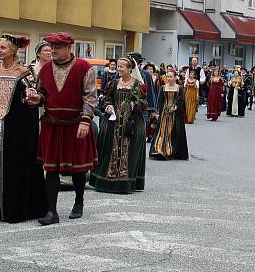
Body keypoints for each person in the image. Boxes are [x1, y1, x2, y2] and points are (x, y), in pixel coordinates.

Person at [27, 32, 97, 224]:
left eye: (57, 47)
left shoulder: (84, 68)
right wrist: (36, 98)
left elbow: (90, 97)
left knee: (77, 169)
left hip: (76, 124)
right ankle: (52, 212)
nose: (53, 51)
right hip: (52, 124)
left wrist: (85, 120)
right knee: (51, 168)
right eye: (51, 47)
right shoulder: (45, 69)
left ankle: (79, 201)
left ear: (69, 48)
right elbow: (42, 93)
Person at [0, 35, 46, 223]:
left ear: (13, 50)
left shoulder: (25, 73)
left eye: (3, 48)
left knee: (15, 163)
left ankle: (15, 205)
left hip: (16, 129)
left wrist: (31, 98)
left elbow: (33, 99)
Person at [91, 57, 147, 191]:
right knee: (110, 149)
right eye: (118, 66)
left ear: (129, 69)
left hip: (131, 124)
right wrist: (108, 106)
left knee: (129, 152)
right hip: (113, 123)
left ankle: (125, 183)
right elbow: (106, 98)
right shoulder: (113, 83)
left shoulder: (138, 85)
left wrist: (133, 104)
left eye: (122, 67)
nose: (119, 69)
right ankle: (107, 181)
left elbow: (144, 104)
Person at [150, 69, 189, 160]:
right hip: (164, 113)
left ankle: (171, 151)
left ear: (175, 77)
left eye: (171, 76)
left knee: (174, 132)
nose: (169, 78)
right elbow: (160, 101)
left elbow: (182, 101)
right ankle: (159, 150)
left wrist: (175, 107)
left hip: (175, 114)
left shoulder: (179, 88)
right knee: (161, 132)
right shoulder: (163, 87)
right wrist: (158, 113)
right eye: (168, 76)